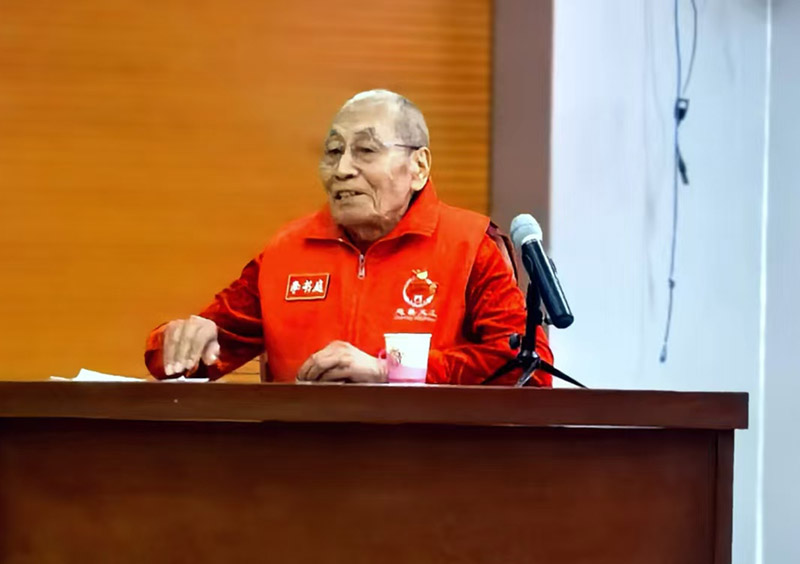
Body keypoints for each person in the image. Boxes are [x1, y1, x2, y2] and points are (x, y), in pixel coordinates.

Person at [144, 89, 552, 385]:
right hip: (302, 465)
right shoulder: (287, 251)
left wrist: (389, 371)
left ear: (419, 167)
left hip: (433, 465)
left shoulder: (470, 245)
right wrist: (176, 342)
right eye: (333, 152)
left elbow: (528, 369)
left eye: (366, 151)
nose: (342, 170)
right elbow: (192, 356)